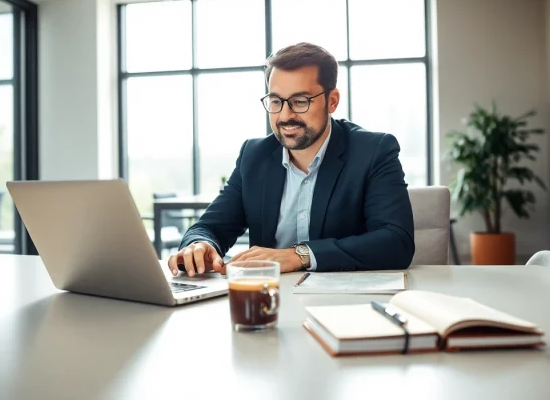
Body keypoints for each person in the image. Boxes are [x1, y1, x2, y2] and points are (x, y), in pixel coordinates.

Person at [167, 42, 414, 276]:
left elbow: (396, 242)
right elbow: (211, 226)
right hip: (269, 298)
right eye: (276, 101)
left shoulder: (373, 151)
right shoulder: (254, 156)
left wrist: (300, 255)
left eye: (300, 101)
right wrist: (200, 244)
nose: (285, 115)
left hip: (344, 302)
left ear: (332, 101)